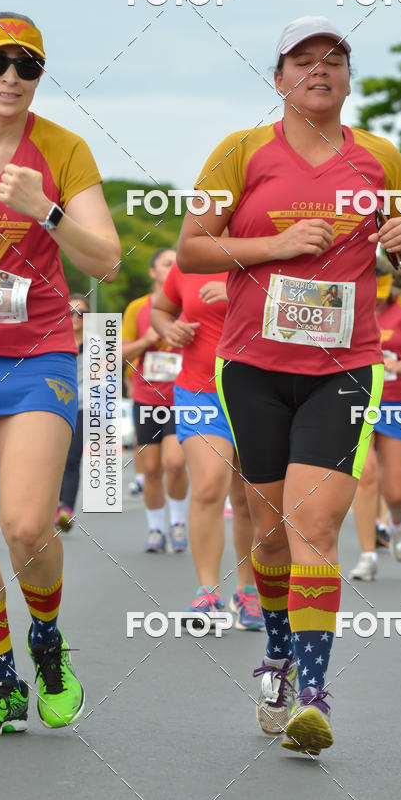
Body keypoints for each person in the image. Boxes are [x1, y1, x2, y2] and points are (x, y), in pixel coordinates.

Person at [176, 16, 401, 754]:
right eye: (304, 60)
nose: (320, 69)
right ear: (279, 77)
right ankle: (278, 656)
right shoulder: (241, 151)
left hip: (344, 365)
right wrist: (275, 246)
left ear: (349, 80)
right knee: (272, 529)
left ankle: (313, 694)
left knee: (315, 526)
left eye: (335, 60)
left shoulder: (381, 157)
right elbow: (192, 249)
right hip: (251, 365)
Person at [0, 12, 120, 734]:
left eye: (26, 65)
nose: (10, 76)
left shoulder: (62, 149)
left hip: (35, 351)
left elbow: (104, 260)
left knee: (27, 524)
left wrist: (46, 210)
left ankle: (46, 641)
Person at [151, 262, 264, 630]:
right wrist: (171, 328)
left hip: (259, 391)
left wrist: (239, 294)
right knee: (209, 484)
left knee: (249, 497)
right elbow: (161, 310)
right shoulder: (189, 260)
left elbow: (303, 310)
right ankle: (208, 592)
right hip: (200, 390)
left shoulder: (267, 250)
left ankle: (247, 591)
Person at [350, 271, 401, 576]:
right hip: (356, 401)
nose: (379, 297)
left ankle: (397, 523)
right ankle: (368, 556)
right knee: (366, 474)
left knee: (395, 492)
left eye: (384, 290)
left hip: (396, 405)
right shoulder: (346, 301)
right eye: (375, 290)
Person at [122, 248, 189, 553]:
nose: (173, 268)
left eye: (178, 264)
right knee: (150, 469)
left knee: (175, 463)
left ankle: (177, 523)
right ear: (153, 272)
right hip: (147, 398)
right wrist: (147, 340)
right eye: (166, 263)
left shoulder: (190, 303)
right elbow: (116, 355)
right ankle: (155, 528)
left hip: (182, 396)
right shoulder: (138, 307)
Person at [55, 294, 89, 531]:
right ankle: (52, 505)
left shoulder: (97, 344)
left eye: (82, 314)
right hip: (55, 405)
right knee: (52, 458)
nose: (75, 318)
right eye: (70, 313)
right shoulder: (54, 341)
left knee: (71, 459)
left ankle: (66, 508)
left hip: (84, 407)